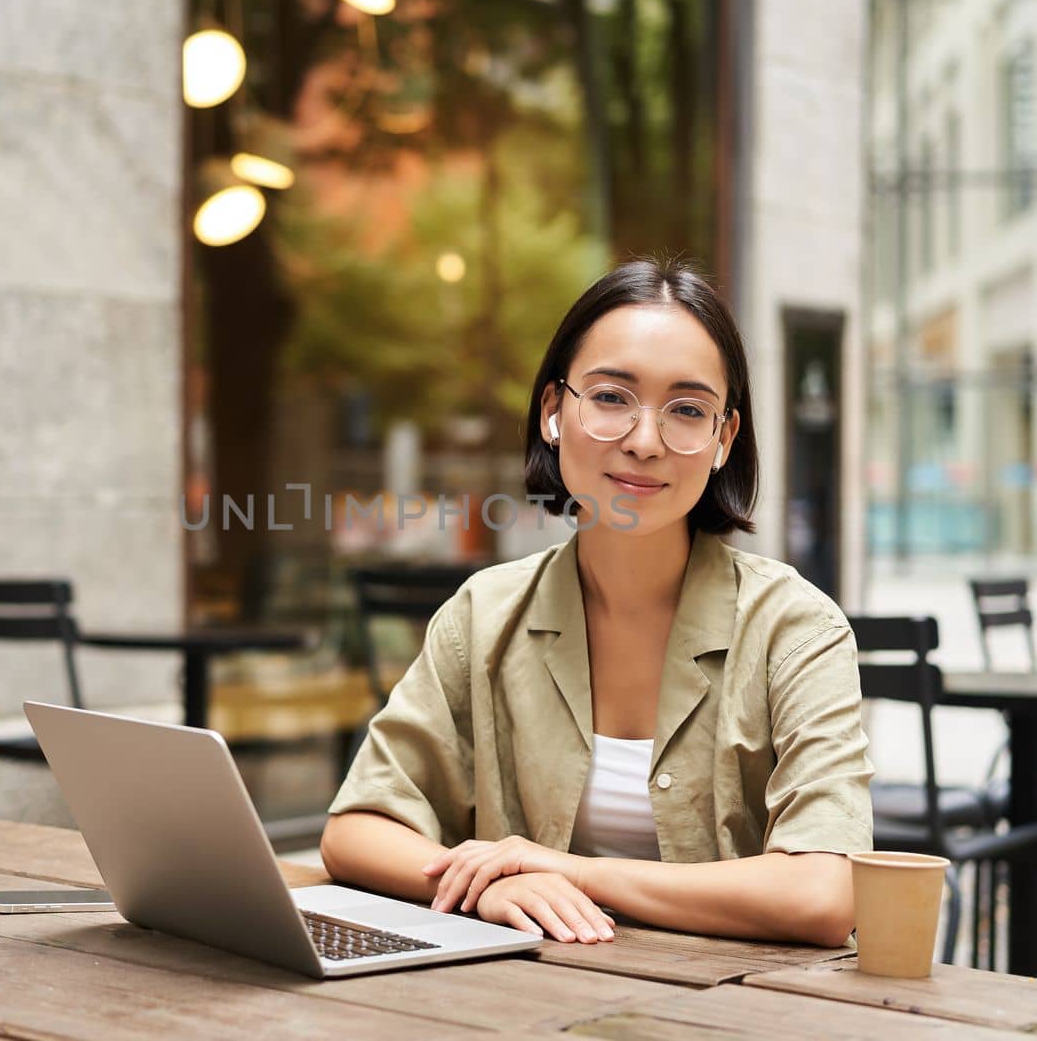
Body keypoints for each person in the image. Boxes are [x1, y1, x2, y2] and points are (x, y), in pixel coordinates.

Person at [320, 257, 873, 948]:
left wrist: (567, 870)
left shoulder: (796, 628)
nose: (644, 441)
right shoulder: (485, 615)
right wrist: (494, 882)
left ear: (723, 440)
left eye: (688, 410)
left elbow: (823, 892)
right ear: (554, 412)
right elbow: (355, 829)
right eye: (612, 397)